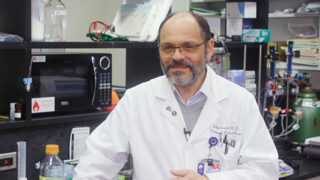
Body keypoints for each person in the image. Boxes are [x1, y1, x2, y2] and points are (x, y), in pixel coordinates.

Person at [73, 12, 279, 180]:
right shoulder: (137, 100)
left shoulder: (240, 101)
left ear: (208, 49)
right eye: (168, 47)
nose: (177, 56)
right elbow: (94, 166)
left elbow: (264, 171)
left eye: (188, 46)